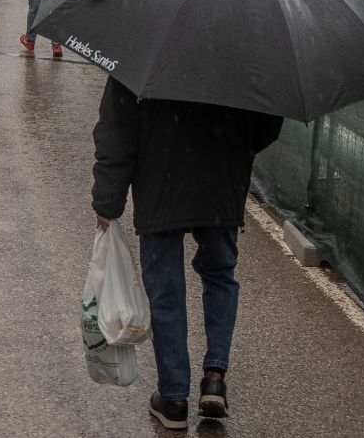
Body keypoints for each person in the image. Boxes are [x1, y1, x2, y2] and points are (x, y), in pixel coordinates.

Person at [90, 77, 284, 430]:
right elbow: (267, 124)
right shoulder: (245, 51)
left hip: (160, 181)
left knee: (165, 290)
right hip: (223, 179)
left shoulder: (141, 42)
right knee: (220, 274)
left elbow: (117, 129)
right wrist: (232, 143)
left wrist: (107, 201)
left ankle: (174, 397)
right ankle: (214, 378)